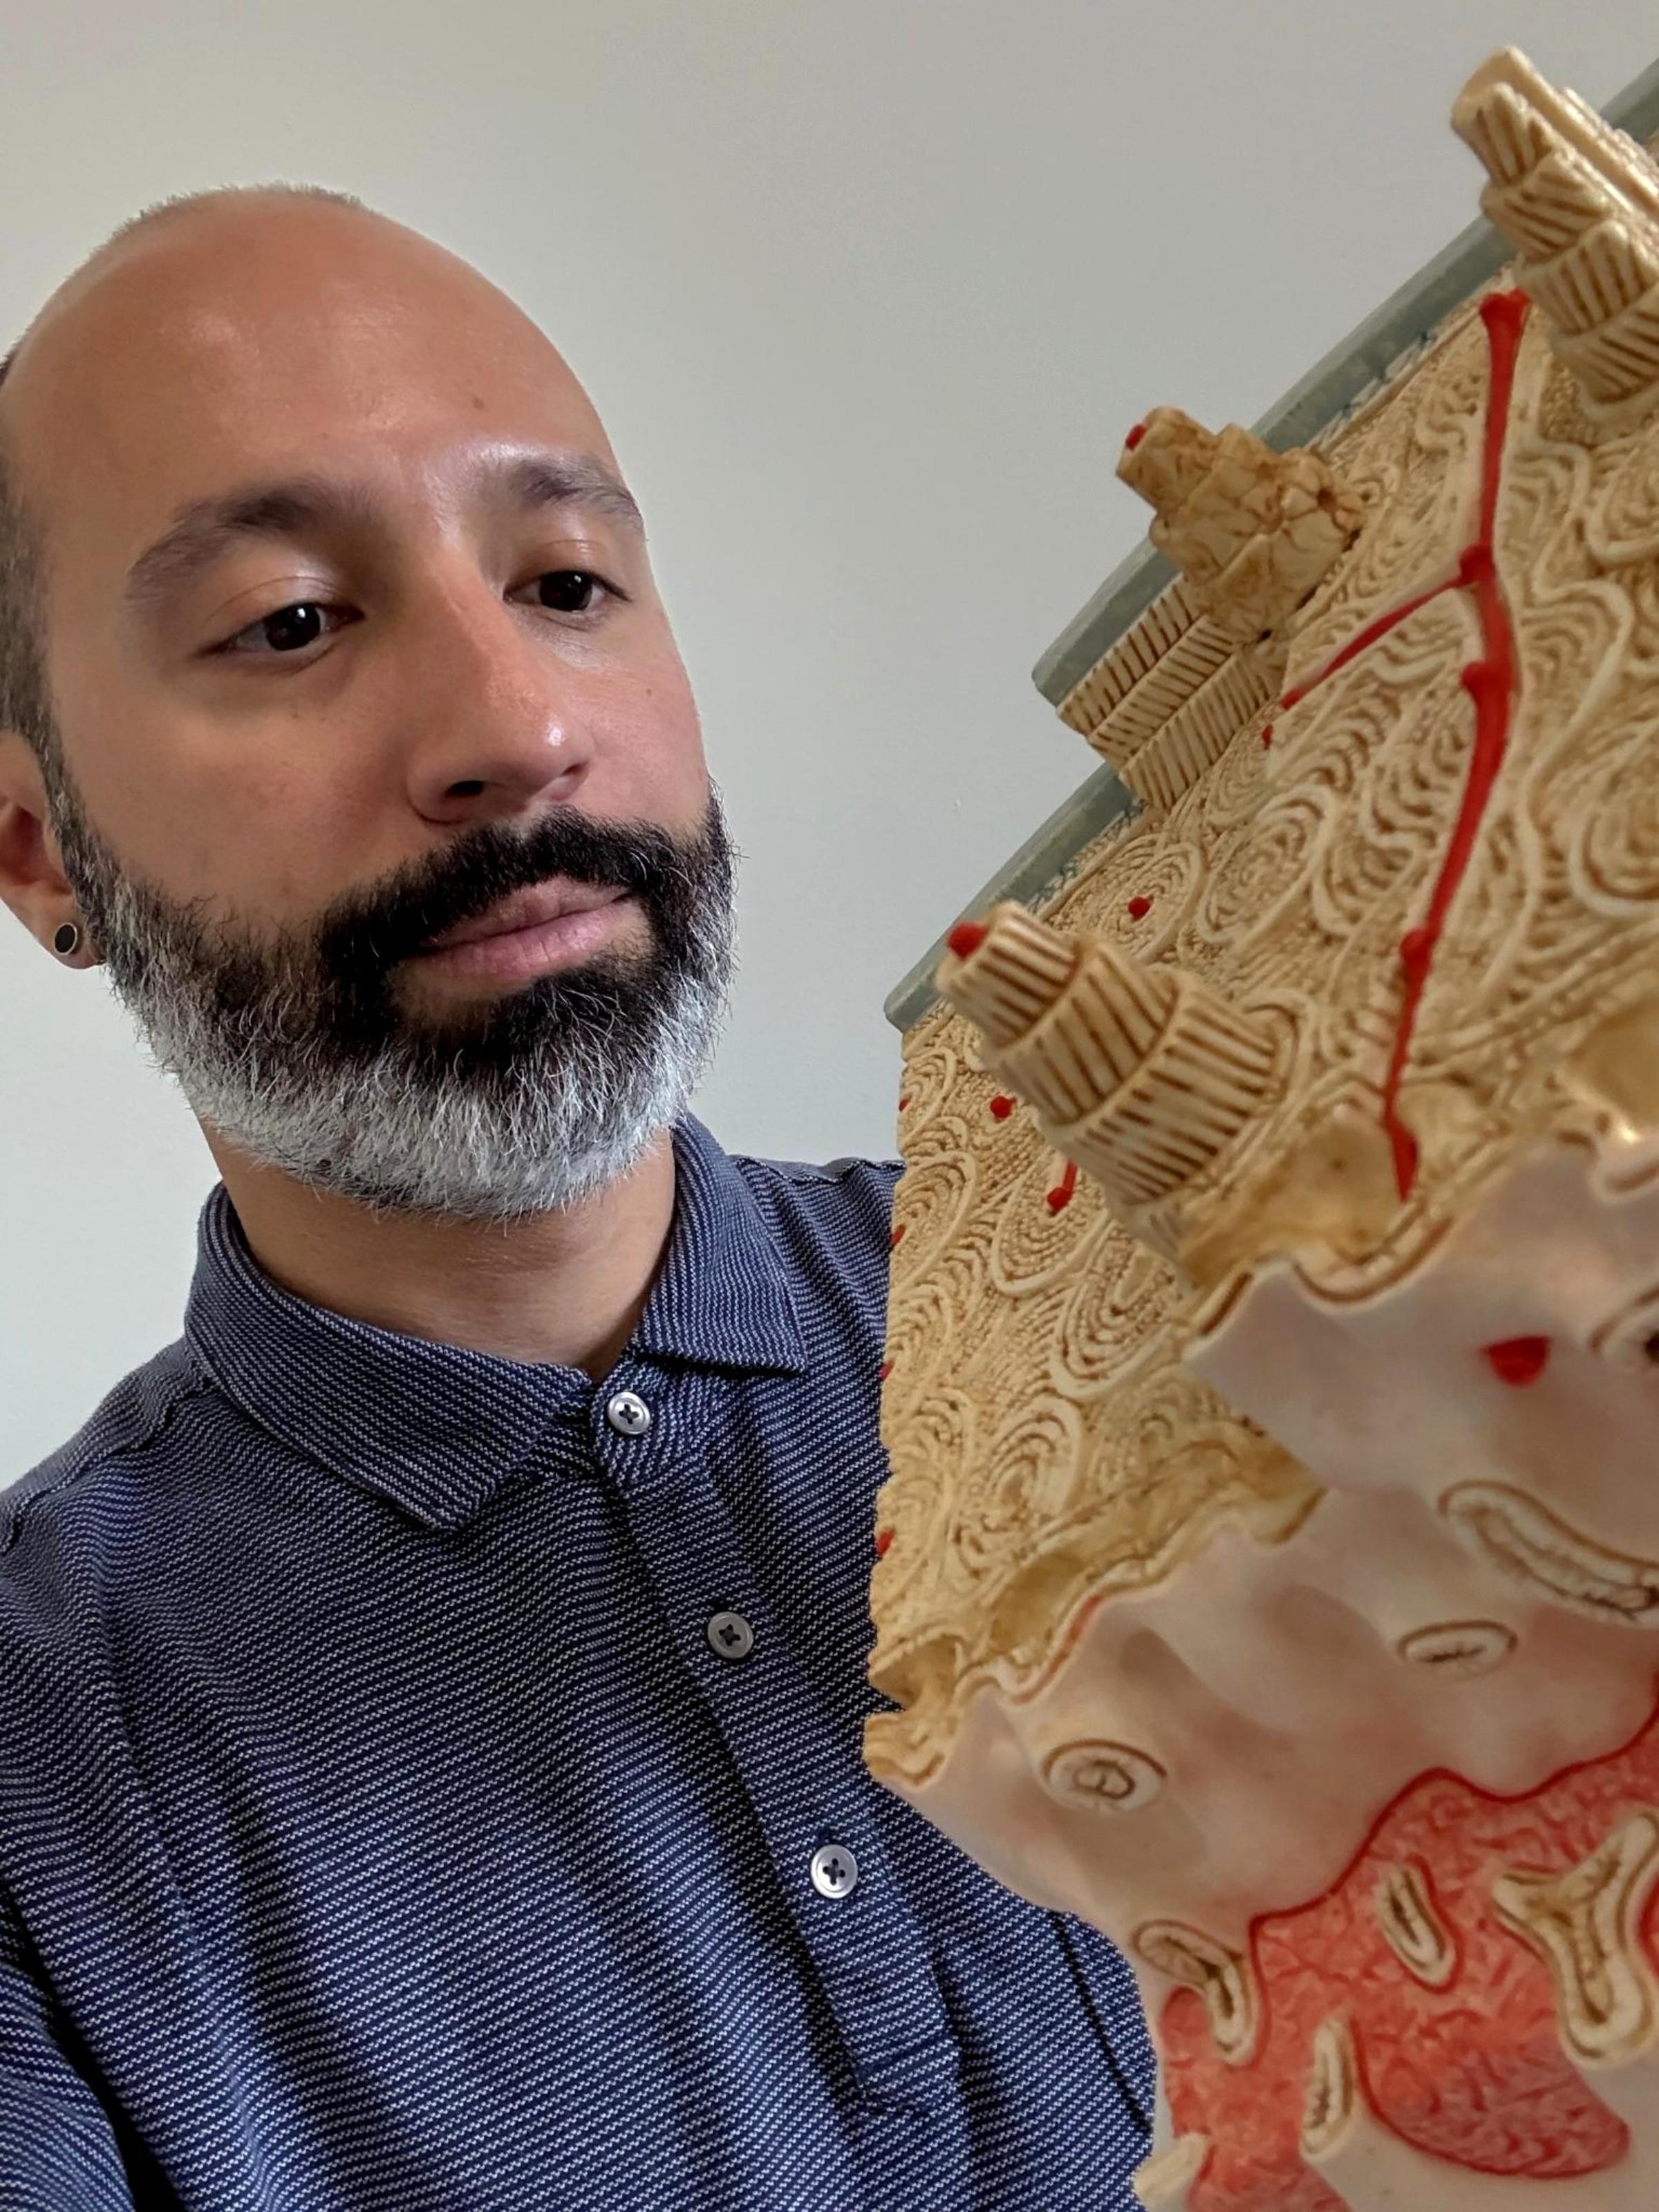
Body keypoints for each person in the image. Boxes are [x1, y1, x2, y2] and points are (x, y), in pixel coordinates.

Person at [0, 184, 1154, 2209]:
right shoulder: (40, 1794)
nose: (518, 732)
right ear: (36, 847)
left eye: (565, 581)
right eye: (290, 621)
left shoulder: (1178, 1301)